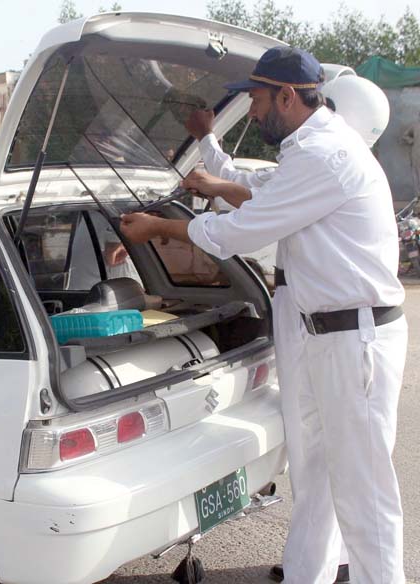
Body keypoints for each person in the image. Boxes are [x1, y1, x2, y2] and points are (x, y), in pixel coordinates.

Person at [121, 47, 406, 584]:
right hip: (329, 335)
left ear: (286, 95)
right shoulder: (309, 148)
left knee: (365, 496)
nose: (251, 112)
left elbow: (240, 230)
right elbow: (265, 191)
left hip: (355, 341)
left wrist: (162, 230)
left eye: (255, 100)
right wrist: (210, 164)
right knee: (318, 476)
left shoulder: (326, 154)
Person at [402, 112, 420, 194]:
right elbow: (405, 136)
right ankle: (418, 195)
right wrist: (411, 141)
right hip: (416, 153)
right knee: (416, 173)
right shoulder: (415, 126)